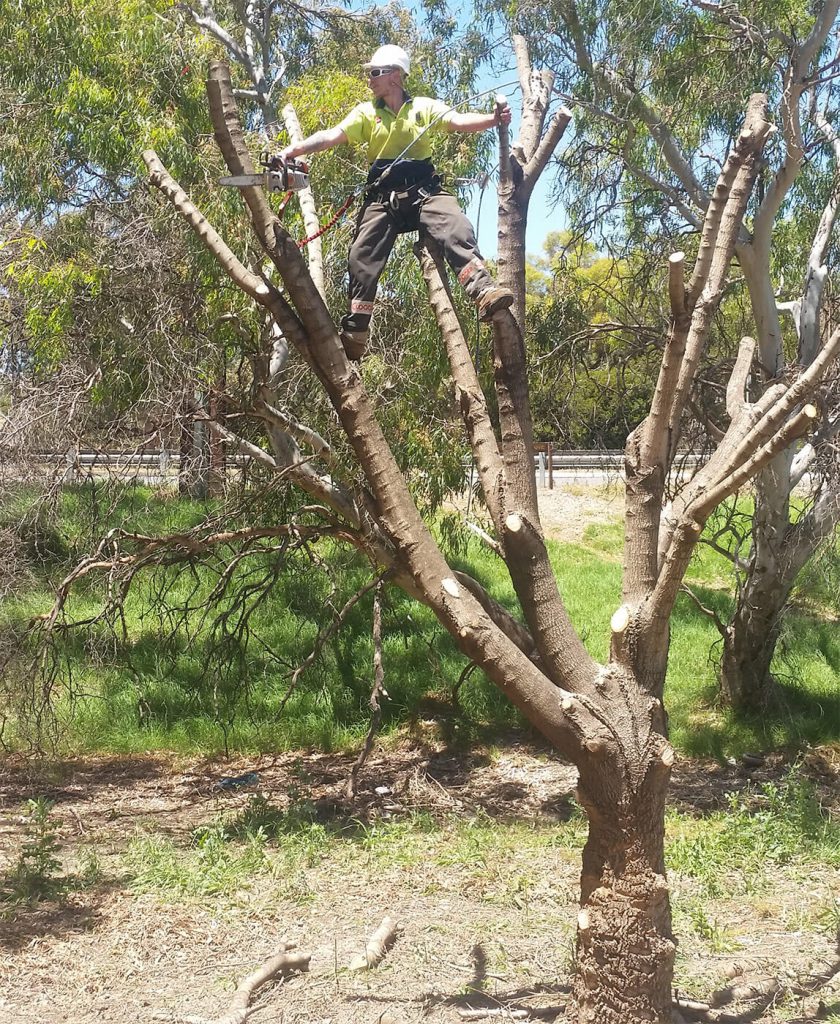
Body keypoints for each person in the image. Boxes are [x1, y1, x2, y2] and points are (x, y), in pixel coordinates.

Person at [279, 44, 515, 360]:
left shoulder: (423, 108)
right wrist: (296, 150)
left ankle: (483, 291)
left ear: (394, 75)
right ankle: (356, 329)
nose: (369, 79)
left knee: (457, 227)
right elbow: (332, 135)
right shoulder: (367, 113)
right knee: (361, 256)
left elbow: (458, 121)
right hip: (383, 200)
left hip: (425, 192)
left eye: (375, 72)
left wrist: (492, 119)